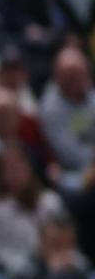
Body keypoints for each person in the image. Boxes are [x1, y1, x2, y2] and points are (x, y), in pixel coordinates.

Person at [0, 144, 66, 276]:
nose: (15, 172)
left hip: (52, 264)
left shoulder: (50, 201)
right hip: (11, 272)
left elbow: (64, 238)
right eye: (9, 168)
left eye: (19, 166)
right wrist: (26, 264)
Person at [8, 209, 95, 279]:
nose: (63, 252)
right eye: (57, 245)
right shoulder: (24, 274)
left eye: (68, 246)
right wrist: (55, 276)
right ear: (41, 245)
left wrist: (79, 276)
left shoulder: (82, 269)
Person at [38, 46, 95, 191]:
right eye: (69, 76)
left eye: (80, 74)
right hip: (71, 176)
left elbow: (87, 134)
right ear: (58, 77)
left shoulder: (89, 96)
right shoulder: (51, 109)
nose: (76, 80)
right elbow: (70, 154)